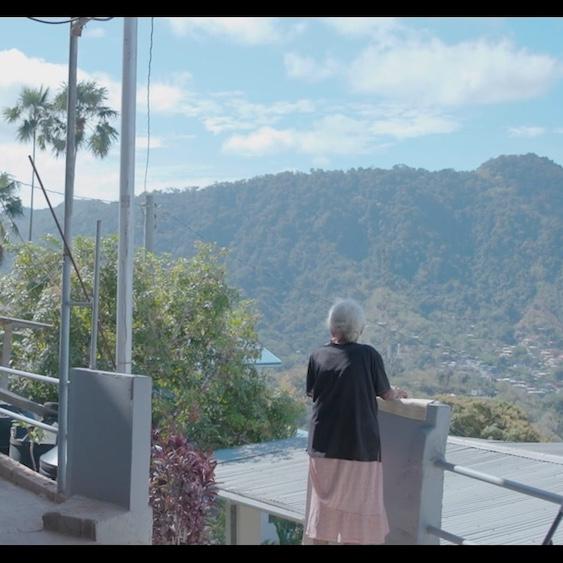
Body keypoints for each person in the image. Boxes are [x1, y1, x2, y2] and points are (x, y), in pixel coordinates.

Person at [303, 298, 407, 545]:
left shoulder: (317, 355)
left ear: (332, 327)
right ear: (358, 328)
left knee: (324, 517)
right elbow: (386, 393)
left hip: (322, 449)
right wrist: (398, 393)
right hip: (359, 448)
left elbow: (312, 393)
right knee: (357, 520)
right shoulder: (368, 355)